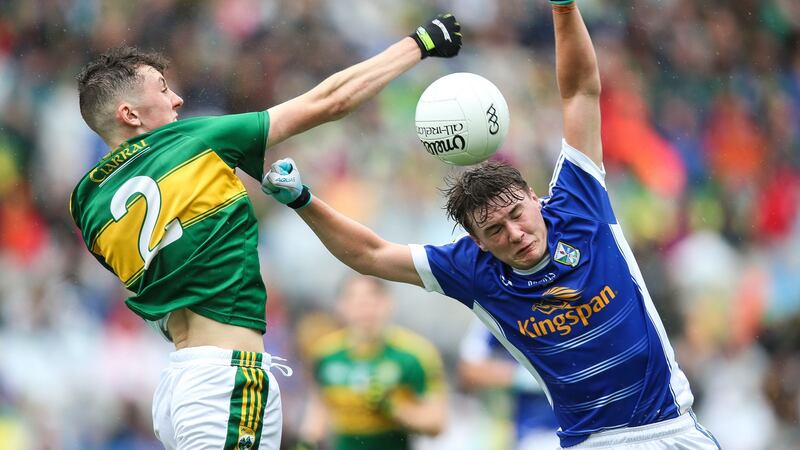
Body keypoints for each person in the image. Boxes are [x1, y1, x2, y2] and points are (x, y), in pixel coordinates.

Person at [261, 1, 720, 448]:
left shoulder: (579, 203)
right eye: (495, 231)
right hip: (591, 442)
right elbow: (370, 254)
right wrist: (303, 199)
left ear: (535, 200)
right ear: (477, 243)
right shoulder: (472, 271)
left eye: (516, 215)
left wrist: (563, 7)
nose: (515, 234)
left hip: (673, 429)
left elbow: (581, 91)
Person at [68, 15, 461, 450]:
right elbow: (329, 101)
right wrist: (419, 44)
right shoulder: (192, 141)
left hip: (179, 385)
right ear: (130, 114)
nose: (178, 100)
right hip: (226, 380)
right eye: (163, 89)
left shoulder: (86, 203)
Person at [295, 274, 447, 450]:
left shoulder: (416, 355)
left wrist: (392, 408)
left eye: (372, 301)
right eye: (357, 302)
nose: (365, 311)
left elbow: (436, 424)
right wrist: (306, 444)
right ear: (341, 306)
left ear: (388, 303)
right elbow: (319, 409)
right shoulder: (325, 354)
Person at [458, 318, 559, 450]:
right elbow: (469, 370)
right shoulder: (494, 308)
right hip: (526, 433)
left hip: (579, 429)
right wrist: (529, 377)